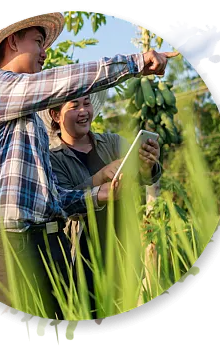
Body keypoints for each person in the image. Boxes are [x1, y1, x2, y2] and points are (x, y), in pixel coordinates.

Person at [0, 11, 179, 320]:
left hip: (48, 245)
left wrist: (98, 195)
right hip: (9, 244)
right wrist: (134, 63)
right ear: (12, 41)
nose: (44, 52)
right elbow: (63, 82)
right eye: (38, 42)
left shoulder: (35, 126)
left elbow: (52, 200)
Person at [38, 91, 161, 316]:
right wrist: (100, 176)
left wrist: (147, 164)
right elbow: (61, 201)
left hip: (125, 248)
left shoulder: (112, 142)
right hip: (82, 259)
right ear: (56, 115)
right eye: (74, 106)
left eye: (87, 104)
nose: (83, 111)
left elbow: (146, 177)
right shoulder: (52, 158)